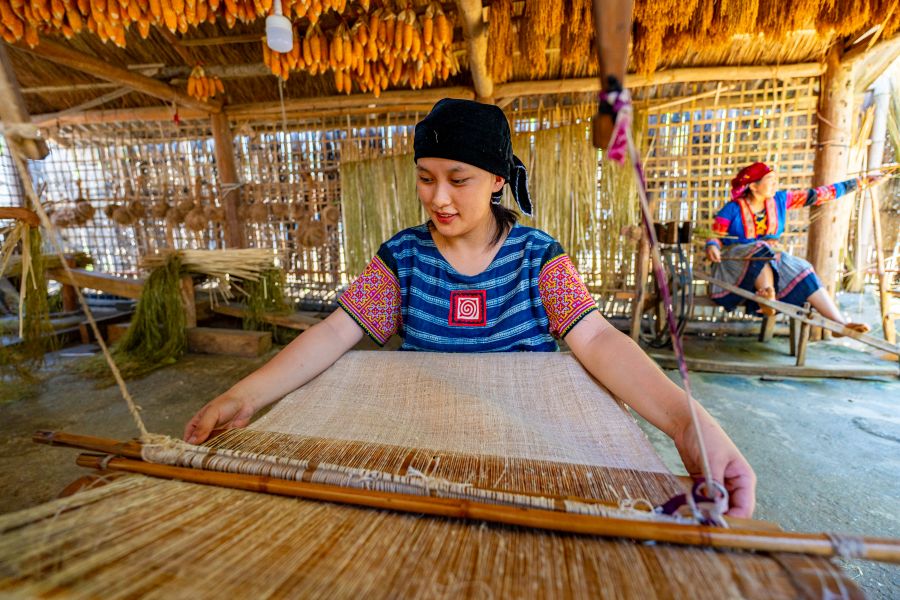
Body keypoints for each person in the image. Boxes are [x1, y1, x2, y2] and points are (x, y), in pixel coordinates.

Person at [184, 98, 756, 517]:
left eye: (458, 179)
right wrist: (246, 395)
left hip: (528, 452)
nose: (438, 197)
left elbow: (599, 341)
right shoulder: (404, 258)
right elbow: (335, 333)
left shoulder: (537, 259)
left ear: (498, 182)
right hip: (428, 447)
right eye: (426, 178)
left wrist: (687, 425)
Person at [706, 162, 880, 330]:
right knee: (760, 249)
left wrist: (860, 182)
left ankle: (839, 324)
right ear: (753, 186)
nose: (775, 184)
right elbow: (715, 235)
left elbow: (819, 194)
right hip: (735, 263)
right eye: (770, 179)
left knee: (803, 268)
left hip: (770, 259)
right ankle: (768, 299)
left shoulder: (780, 200)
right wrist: (713, 245)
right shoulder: (732, 208)